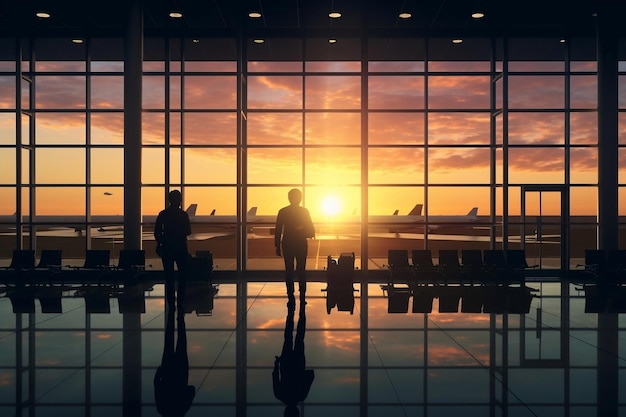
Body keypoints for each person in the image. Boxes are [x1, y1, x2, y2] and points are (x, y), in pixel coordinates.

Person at [273, 300, 314, 417]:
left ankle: (301, 309)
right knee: (288, 336)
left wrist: (301, 376)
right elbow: (276, 377)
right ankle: (291, 311)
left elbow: (311, 375)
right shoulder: (279, 395)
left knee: (300, 336)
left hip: (298, 363)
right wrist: (277, 364)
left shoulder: (301, 395)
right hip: (285, 363)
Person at [154, 304, 195, 416]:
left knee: (181, 339)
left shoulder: (182, 408)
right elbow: (157, 387)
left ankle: (180, 317)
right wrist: (159, 372)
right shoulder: (161, 409)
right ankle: (172, 315)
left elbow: (192, 389)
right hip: (167, 370)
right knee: (169, 339)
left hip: (181, 372)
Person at [154, 190, 192, 313]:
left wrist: (162, 241)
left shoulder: (163, 214)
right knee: (183, 276)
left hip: (167, 247)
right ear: (179, 200)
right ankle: (180, 302)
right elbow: (188, 231)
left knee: (169, 277)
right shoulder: (183, 215)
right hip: (180, 247)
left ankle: (171, 303)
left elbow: (157, 232)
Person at [274, 188, 315, 302]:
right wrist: (301, 229)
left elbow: (278, 230)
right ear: (300, 198)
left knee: (289, 269)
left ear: (289, 198)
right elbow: (311, 230)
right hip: (301, 243)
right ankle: (302, 293)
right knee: (301, 269)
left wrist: (277, 245)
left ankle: (290, 294)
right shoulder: (304, 211)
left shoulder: (283, 211)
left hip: (287, 243)